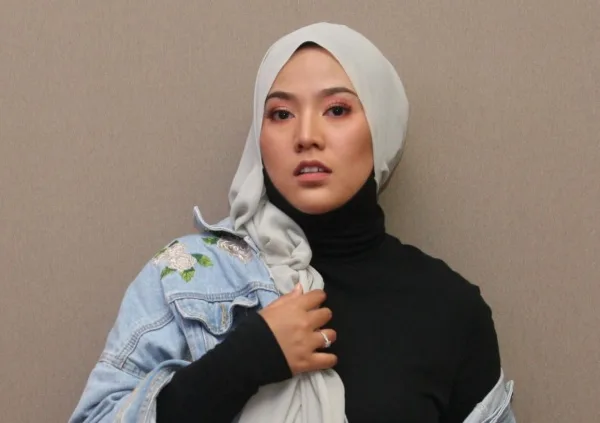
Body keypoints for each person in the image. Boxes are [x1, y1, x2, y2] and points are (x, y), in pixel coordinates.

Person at [69, 22, 516, 423]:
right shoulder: (185, 276)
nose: (306, 136)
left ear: (381, 125)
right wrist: (242, 363)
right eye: (281, 114)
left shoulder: (449, 308)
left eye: (336, 110)